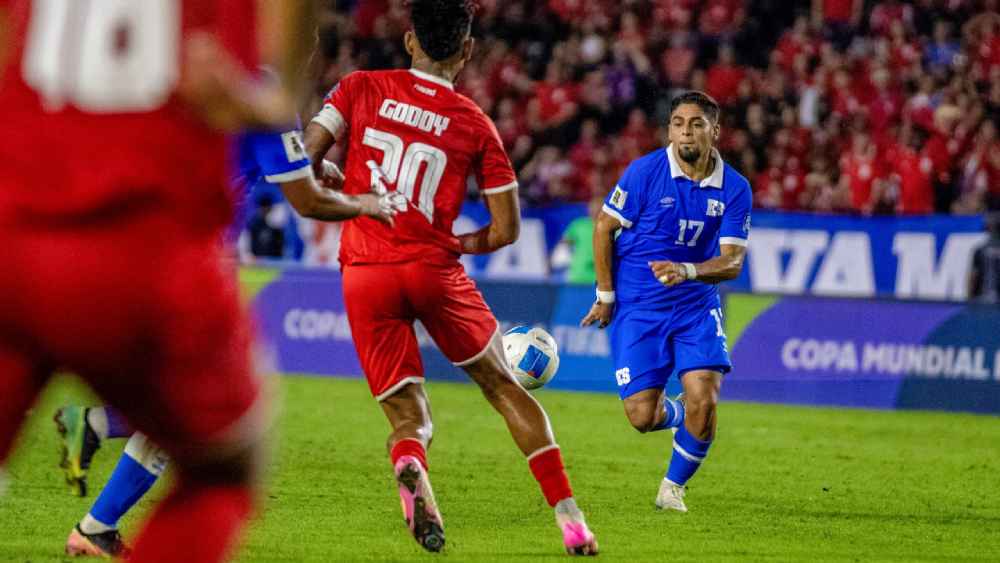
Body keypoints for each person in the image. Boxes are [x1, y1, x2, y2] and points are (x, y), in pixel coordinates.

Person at [0, 1, 317, 561]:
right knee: (224, 466)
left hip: (15, 240)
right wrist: (281, 97)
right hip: (148, 255)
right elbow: (301, 181)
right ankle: (96, 506)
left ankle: (95, 440)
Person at [302, 0, 598, 555]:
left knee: (409, 414)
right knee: (505, 388)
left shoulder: (358, 87)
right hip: (434, 269)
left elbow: (306, 159)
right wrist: (455, 242)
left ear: (410, 41)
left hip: (365, 269)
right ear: (466, 51)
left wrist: (332, 178)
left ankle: (411, 458)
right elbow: (506, 230)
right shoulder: (474, 123)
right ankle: (572, 520)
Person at [54, 124, 397, 557]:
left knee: (179, 400)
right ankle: (95, 524)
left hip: (138, 246)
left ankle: (93, 439)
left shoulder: (205, 76)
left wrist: (314, 166)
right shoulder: (263, 100)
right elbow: (306, 199)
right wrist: (366, 203)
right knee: (204, 407)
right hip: (185, 264)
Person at [581, 91, 752, 513]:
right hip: (640, 307)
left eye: (695, 124)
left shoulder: (735, 188)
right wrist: (605, 296)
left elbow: (732, 262)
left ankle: (672, 488)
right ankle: (683, 415)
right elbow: (604, 227)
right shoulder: (644, 173)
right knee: (641, 416)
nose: (685, 132)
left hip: (696, 307)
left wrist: (688, 271)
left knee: (706, 397)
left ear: (716, 130)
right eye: (677, 123)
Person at [551, 197, 602, 284]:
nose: (595, 209)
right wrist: (552, 262)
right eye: (592, 206)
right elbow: (563, 245)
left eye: (598, 206)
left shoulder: (611, 228)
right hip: (578, 277)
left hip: (600, 280)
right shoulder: (578, 225)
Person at [969, 213, 1000, 304]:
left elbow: (972, 277)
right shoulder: (980, 249)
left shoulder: (981, 249)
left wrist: (969, 297)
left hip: (983, 298)